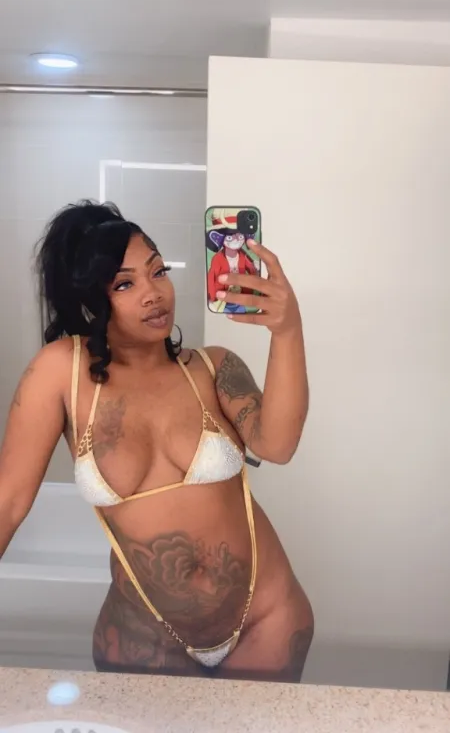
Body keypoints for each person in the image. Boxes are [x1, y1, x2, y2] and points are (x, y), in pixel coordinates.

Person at [0, 200, 313, 681]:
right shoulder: (63, 371)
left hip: (265, 619)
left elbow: (278, 445)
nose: (154, 294)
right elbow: (8, 503)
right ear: (90, 301)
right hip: (143, 635)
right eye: (124, 284)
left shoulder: (212, 367)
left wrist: (287, 331)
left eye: (158, 272)